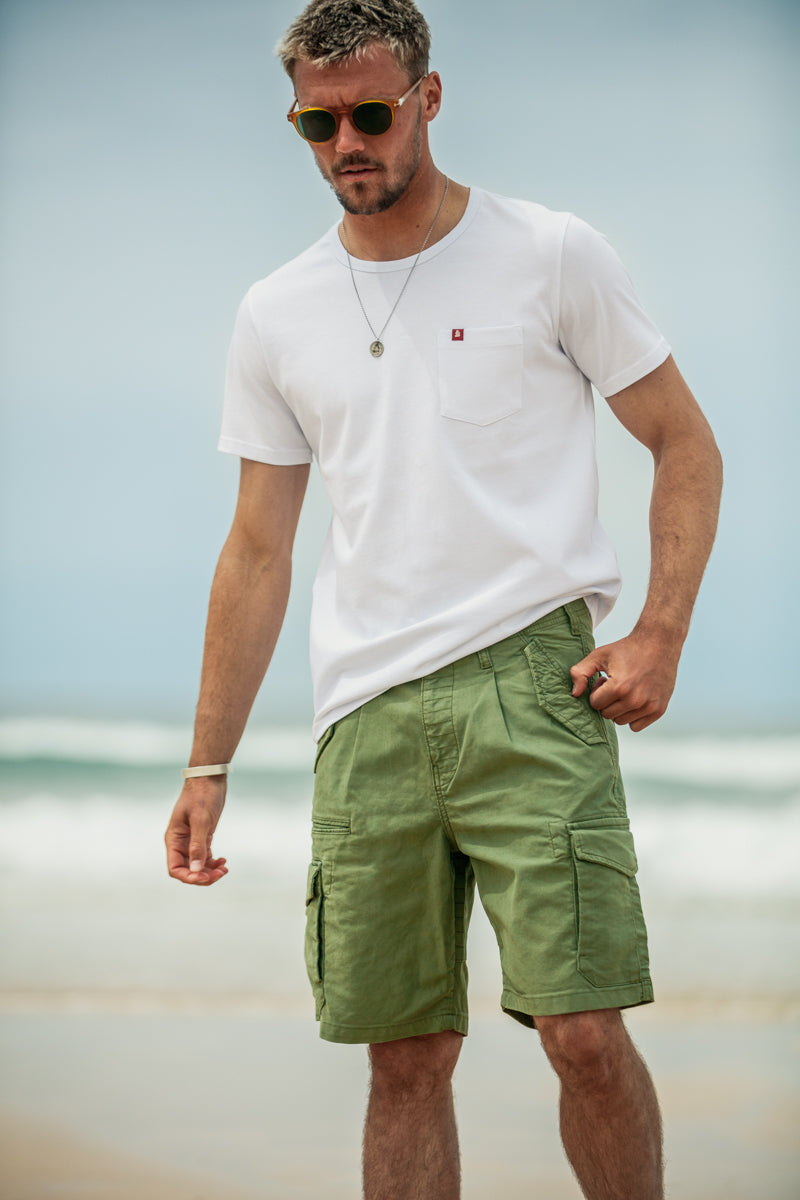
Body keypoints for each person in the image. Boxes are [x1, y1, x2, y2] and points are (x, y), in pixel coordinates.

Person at [164, 1, 722, 1196]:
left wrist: (659, 631)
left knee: (582, 1031)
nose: (344, 143)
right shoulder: (275, 311)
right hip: (363, 716)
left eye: (369, 114)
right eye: (316, 123)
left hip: (533, 684)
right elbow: (256, 551)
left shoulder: (550, 253)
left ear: (425, 97)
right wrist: (207, 764)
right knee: (403, 1060)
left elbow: (683, 442)